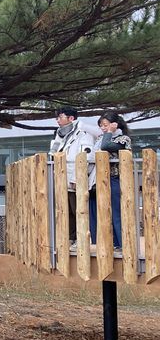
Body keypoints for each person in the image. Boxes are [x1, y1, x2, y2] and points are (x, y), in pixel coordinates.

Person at [49, 107, 94, 249]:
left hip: (75, 180)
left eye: (60, 117)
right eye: (57, 118)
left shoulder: (84, 135)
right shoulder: (60, 135)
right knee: (66, 212)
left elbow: (87, 157)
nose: (58, 120)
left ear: (71, 119)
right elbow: (53, 153)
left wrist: (76, 178)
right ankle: (70, 239)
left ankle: (81, 240)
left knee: (78, 211)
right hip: (62, 180)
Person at [90, 111, 133, 253]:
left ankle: (122, 244)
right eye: (101, 125)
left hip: (116, 179)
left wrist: (109, 132)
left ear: (115, 124)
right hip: (100, 179)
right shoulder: (101, 138)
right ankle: (108, 242)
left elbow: (106, 147)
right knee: (100, 212)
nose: (102, 128)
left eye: (105, 125)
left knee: (116, 212)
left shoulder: (123, 139)